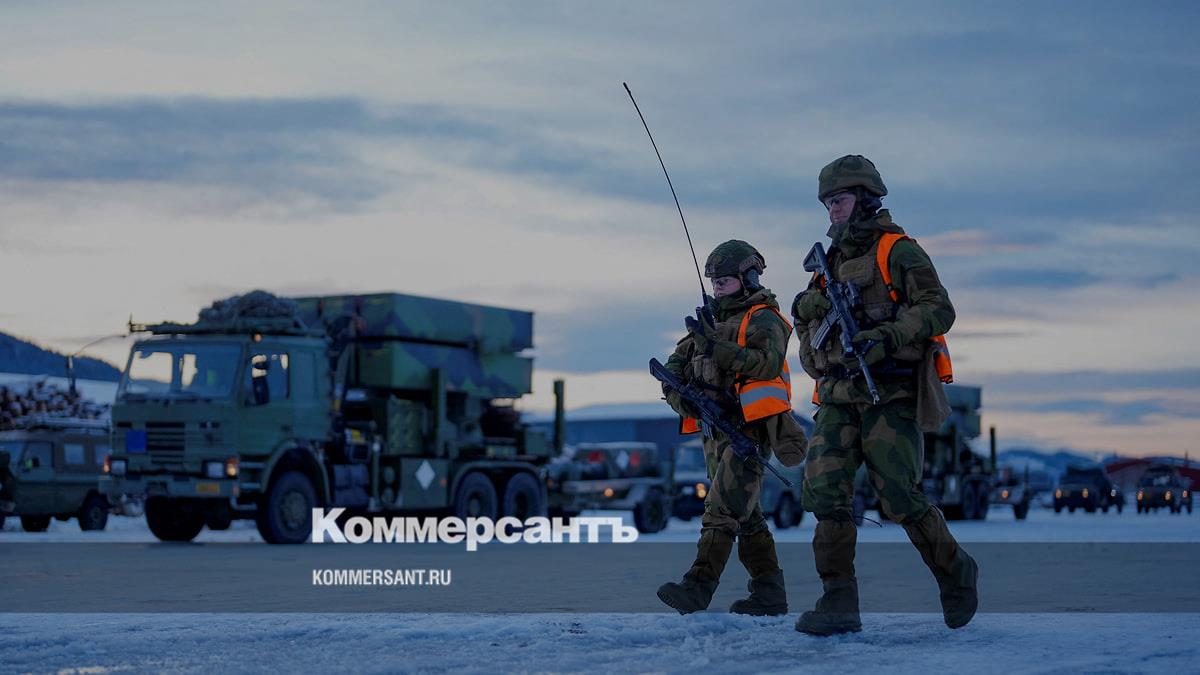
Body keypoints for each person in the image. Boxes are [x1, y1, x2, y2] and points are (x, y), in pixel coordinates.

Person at [792, 155, 978, 635]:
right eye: (827, 203)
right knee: (824, 493)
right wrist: (809, 315)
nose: (833, 209)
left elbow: (939, 308)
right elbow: (808, 321)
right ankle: (838, 602)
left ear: (865, 198)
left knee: (898, 494)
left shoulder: (898, 251)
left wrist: (889, 335)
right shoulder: (829, 262)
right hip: (837, 394)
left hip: (889, 392)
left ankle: (956, 572)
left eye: (839, 200)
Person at [657, 240, 807, 615]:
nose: (717, 287)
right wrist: (684, 400)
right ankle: (769, 594)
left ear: (748, 277)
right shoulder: (707, 322)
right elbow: (674, 368)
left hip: (748, 430)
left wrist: (714, 347)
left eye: (724, 280)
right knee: (747, 516)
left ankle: (698, 588)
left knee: (721, 509)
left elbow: (766, 363)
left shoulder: (765, 318)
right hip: (713, 432)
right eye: (714, 282)